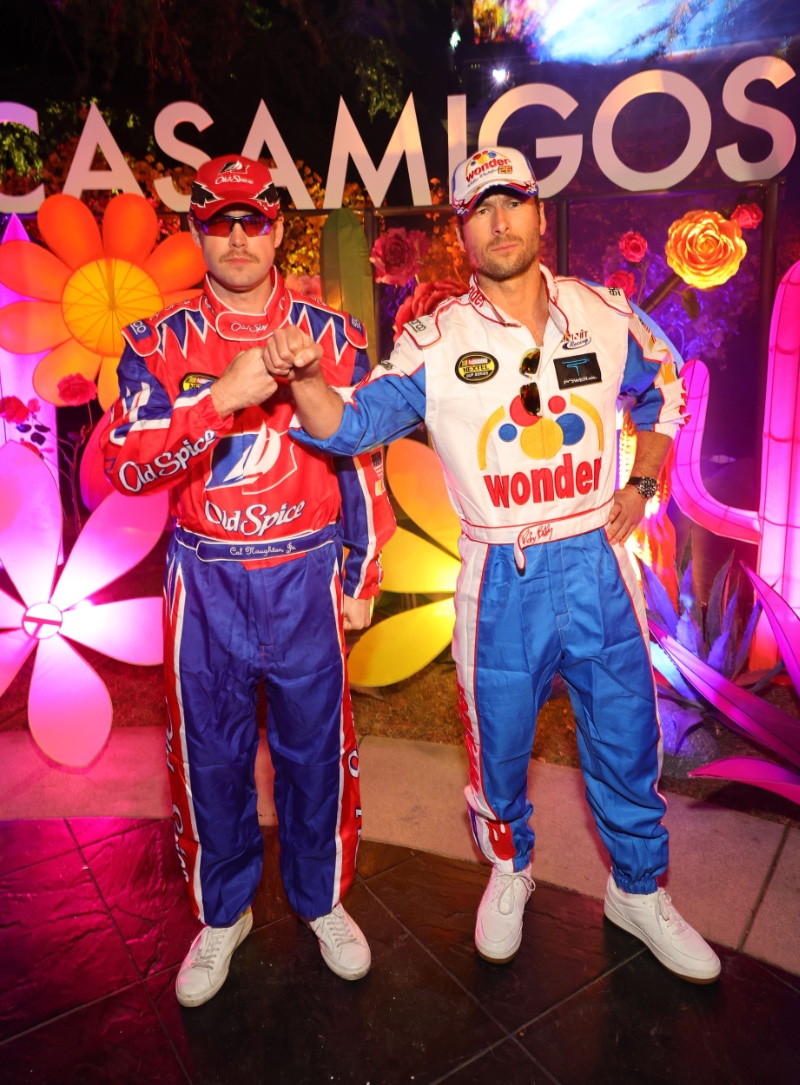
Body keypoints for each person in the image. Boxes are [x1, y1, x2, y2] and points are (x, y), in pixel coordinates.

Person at [262, 146, 721, 984]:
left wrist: (645, 477)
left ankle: (638, 890)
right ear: (464, 232)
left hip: (596, 560)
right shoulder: (437, 339)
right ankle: (509, 869)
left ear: (541, 214)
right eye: (481, 208)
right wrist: (301, 381)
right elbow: (350, 425)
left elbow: (663, 384)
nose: (500, 218)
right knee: (499, 749)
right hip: (499, 578)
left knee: (625, 736)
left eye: (513, 201)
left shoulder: (605, 312)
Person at [99, 155, 395, 1006]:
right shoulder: (155, 341)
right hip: (207, 581)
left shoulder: (331, 335)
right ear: (195, 230)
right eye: (218, 221)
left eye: (253, 220)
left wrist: (362, 565)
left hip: (306, 575)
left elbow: (363, 456)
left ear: (277, 229)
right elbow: (123, 464)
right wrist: (218, 397)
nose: (236, 236)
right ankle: (223, 912)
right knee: (210, 757)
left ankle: (321, 898)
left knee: (318, 753)